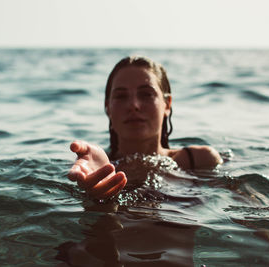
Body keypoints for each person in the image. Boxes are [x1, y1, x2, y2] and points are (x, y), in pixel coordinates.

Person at [68, 55, 223, 200]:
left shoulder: (200, 160)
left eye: (146, 94)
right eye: (121, 96)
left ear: (167, 104)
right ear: (107, 107)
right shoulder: (94, 169)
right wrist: (96, 199)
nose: (134, 105)